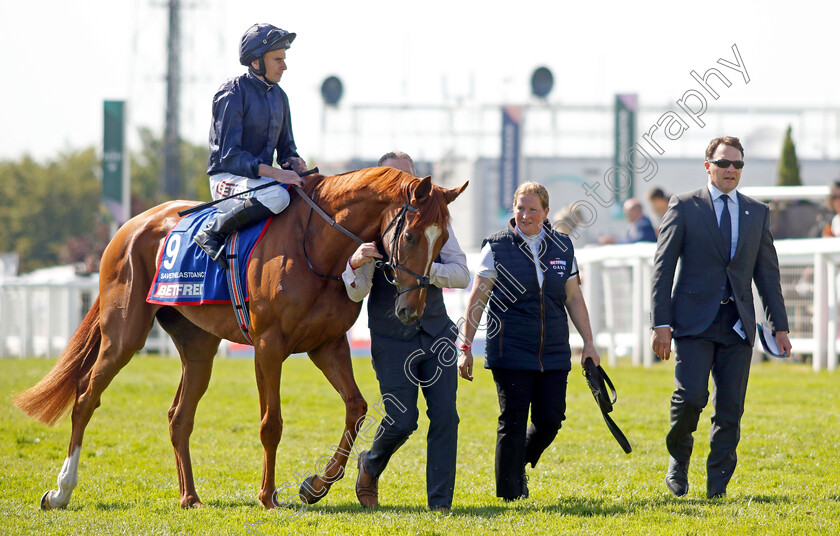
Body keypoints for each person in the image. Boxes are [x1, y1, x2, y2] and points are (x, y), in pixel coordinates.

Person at [651, 136, 792, 500]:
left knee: (730, 408)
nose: (731, 170)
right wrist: (660, 323)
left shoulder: (757, 212)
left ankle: (717, 487)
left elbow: (767, 274)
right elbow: (663, 269)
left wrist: (780, 326)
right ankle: (678, 459)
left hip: (738, 325)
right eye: (724, 163)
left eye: (738, 165)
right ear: (708, 165)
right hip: (693, 323)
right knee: (692, 397)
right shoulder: (684, 206)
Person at [457, 182, 601, 502]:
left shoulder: (563, 246)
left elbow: (574, 298)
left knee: (550, 419)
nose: (525, 214)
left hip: (553, 351)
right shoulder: (496, 247)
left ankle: (514, 464)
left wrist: (589, 342)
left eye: (532, 209)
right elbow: (477, 301)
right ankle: (510, 495)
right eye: (520, 208)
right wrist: (464, 347)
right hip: (509, 349)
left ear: (546, 212)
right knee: (513, 419)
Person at [345, 151, 469, 511]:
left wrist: (425, 271)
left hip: (436, 332)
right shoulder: (369, 227)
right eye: (394, 178)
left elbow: (462, 274)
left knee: (446, 415)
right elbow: (356, 291)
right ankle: (369, 465)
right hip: (389, 335)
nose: (403, 187)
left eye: (409, 179)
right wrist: (356, 262)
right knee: (402, 419)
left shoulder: (432, 220)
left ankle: (440, 505)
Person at [194, 23, 307, 268]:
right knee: (278, 195)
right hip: (227, 179)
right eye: (277, 59)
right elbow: (231, 157)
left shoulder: (280, 96)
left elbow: (287, 148)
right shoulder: (232, 92)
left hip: (261, 183)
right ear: (256, 62)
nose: (284, 66)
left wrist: (294, 161)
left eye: (284, 59)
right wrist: (277, 173)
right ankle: (213, 232)